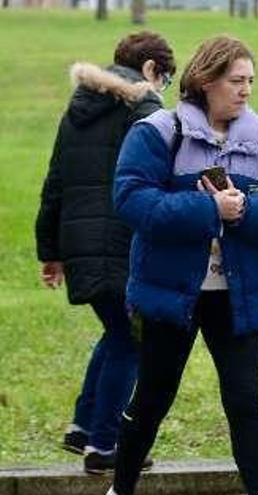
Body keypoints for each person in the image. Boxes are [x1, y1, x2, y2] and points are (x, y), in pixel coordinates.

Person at [106, 35, 258, 495]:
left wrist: (245, 211)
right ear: (206, 80)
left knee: (244, 404)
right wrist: (209, 212)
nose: (246, 90)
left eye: (251, 81)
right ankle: (120, 487)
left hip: (238, 298)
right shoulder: (157, 131)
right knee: (152, 399)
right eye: (236, 81)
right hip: (170, 293)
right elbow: (132, 200)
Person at [35, 31, 175, 475]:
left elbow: (55, 181)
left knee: (116, 330)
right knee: (132, 340)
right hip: (121, 242)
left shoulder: (77, 109)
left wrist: (50, 251)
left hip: (79, 242)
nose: (164, 87)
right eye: (165, 78)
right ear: (151, 69)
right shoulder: (145, 108)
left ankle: (84, 424)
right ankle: (105, 442)